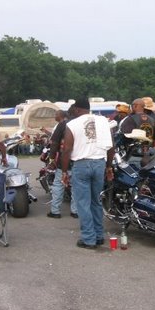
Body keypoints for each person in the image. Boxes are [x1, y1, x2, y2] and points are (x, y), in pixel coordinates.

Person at [61, 98, 114, 249]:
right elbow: (111, 147)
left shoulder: (72, 124)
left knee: (83, 203)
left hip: (81, 165)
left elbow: (67, 149)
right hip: (99, 164)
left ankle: (88, 239)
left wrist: (64, 171)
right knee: (96, 201)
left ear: (77, 110)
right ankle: (99, 236)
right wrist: (109, 167)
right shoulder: (103, 121)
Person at [46, 108, 78, 219]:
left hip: (64, 160)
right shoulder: (82, 124)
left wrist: (51, 159)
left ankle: (55, 211)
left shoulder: (63, 124)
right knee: (76, 187)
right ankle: (75, 211)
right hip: (79, 161)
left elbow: (54, 143)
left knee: (59, 185)